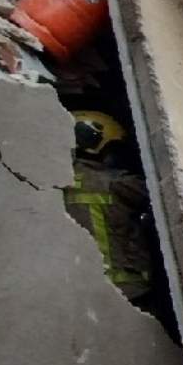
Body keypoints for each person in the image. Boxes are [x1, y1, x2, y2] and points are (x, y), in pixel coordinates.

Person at [65, 111, 153, 300]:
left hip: (76, 292)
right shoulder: (117, 183)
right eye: (113, 149)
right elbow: (164, 195)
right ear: (97, 147)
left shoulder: (54, 184)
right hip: (127, 291)